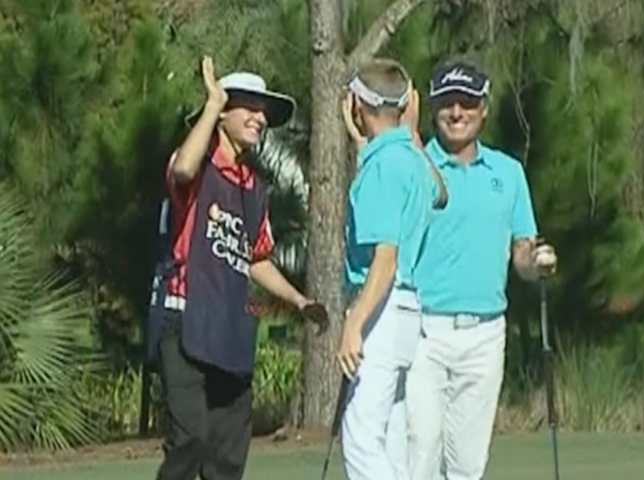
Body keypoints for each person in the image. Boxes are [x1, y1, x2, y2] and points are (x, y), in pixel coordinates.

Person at [154, 56, 320, 480]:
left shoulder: (255, 188)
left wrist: (298, 300)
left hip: (228, 329)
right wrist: (211, 105)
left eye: (264, 111)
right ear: (223, 113)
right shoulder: (196, 164)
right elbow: (183, 168)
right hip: (184, 319)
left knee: (227, 456)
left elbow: (255, 258)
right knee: (189, 439)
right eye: (248, 106)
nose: (259, 118)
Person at [405, 60, 558, 480]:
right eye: (447, 103)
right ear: (433, 107)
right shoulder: (415, 167)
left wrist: (536, 264)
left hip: (486, 336)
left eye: (467, 103)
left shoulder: (508, 173)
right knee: (420, 451)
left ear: (484, 109)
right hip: (423, 331)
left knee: (468, 464)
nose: (457, 113)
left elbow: (521, 251)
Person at [337, 58, 443, 480]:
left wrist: (354, 323)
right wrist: (402, 132)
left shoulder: (382, 167)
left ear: (358, 104)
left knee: (361, 440)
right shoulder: (410, 159)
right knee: (391, 438)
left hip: (381, 307)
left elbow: (385, 258)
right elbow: (440, 193)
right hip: (407, 311)